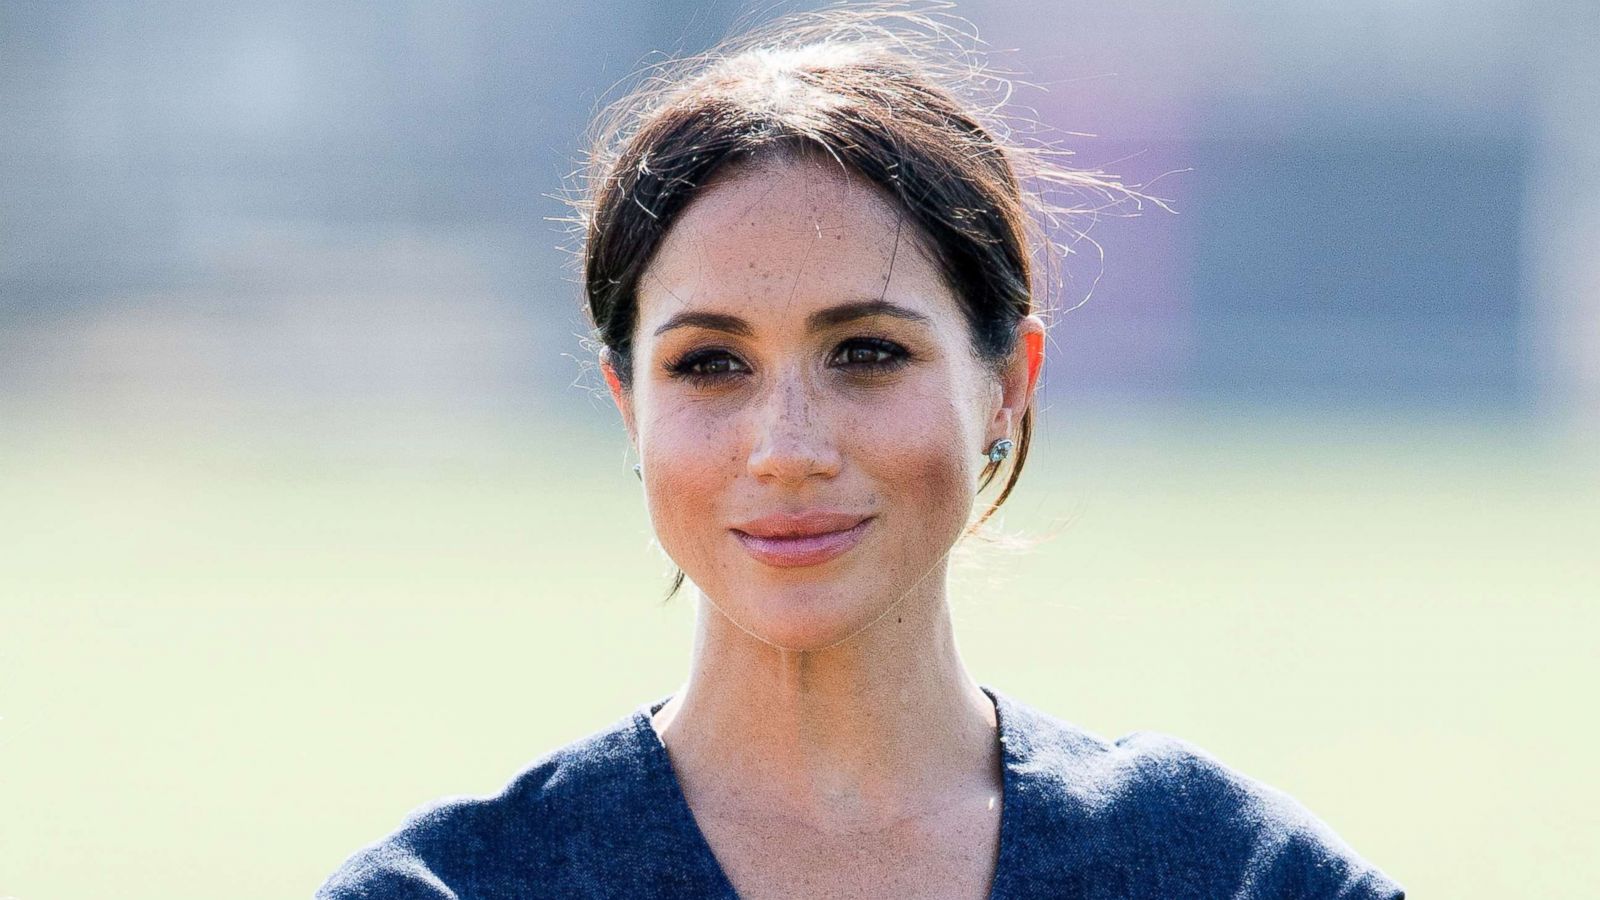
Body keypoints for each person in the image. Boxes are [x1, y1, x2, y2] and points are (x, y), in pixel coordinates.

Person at [316, 7, 1405, 899]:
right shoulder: (450, 888)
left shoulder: (1232, 876)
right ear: (626, 405)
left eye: (867, 351)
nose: (787, 448)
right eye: (708, 364)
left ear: (1006, 385)